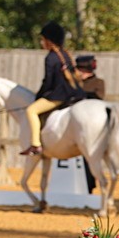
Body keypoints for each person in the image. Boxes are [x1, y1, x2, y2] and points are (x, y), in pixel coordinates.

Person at [22, 21, 85, 156]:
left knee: (31, 110)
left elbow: (48, 82)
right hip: (74, 92)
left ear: (49, 41)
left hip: (59, 96)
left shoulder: (50, 57)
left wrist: (39, 95)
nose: (41, 42)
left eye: (43, 39)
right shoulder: (66, 54)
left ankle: (35, 144)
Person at [75, 55, 104, 192]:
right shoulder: (74, 83)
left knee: (90, 155)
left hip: (91, 125)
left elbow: (99, 98)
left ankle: (90, 185)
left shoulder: (98, 83)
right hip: (75, 125)